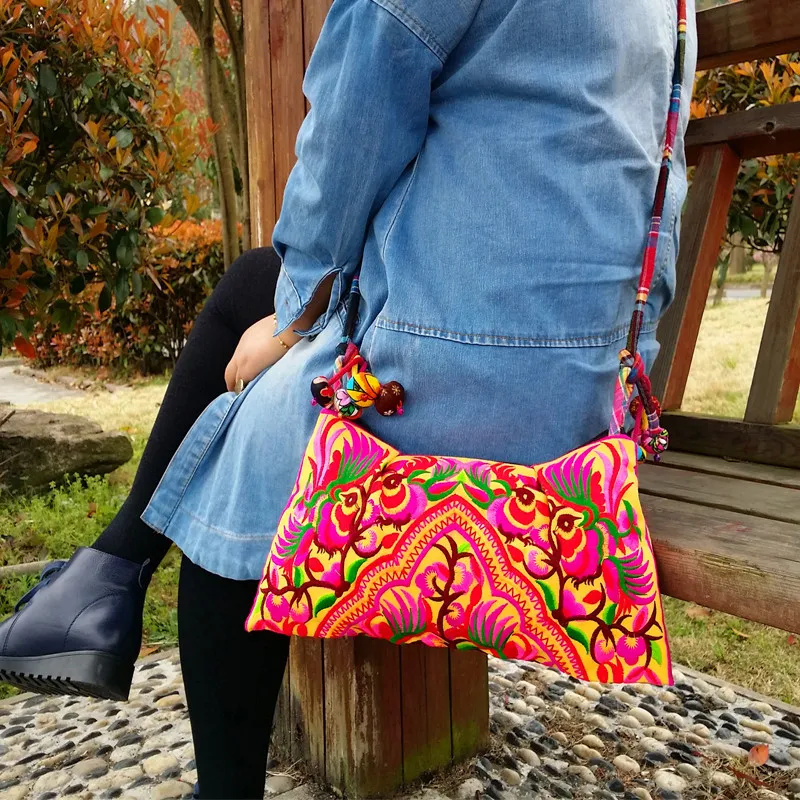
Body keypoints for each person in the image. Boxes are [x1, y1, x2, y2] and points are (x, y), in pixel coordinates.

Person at [0, 0, 698, 797]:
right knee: (251, 281)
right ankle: (108, 575)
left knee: (239, 460)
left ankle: (179, 716)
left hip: (445, 381)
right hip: (585, 382)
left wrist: (295, 317)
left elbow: (350, 128)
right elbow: (662, 195)